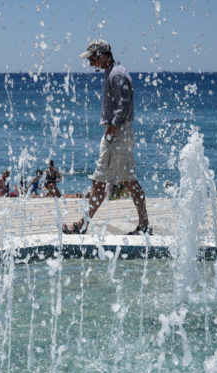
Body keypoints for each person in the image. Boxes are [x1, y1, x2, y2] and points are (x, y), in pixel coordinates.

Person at [63, 39, 151, 235]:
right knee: (130, 180)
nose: (90, 63)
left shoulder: (116, 74)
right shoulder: (114, 72)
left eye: (92, 59)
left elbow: (124, 106)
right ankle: (144, 225)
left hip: (117, 134)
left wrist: (110, 132)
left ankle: (82, 225)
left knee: (99, 182)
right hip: (122, 132)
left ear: (102, 55)